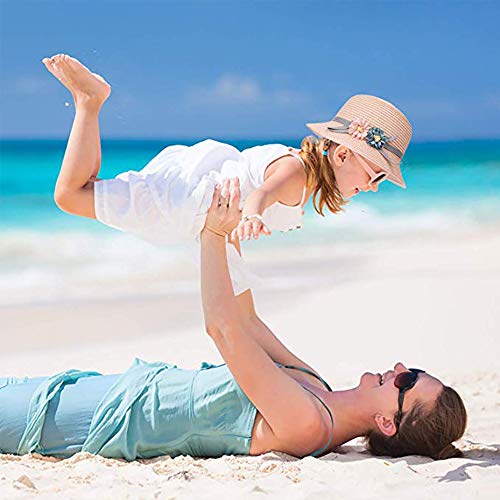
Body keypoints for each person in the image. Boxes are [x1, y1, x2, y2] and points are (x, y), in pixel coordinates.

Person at [0, 178, 467, 461]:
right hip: (114, 388)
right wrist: (239, 223)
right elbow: (246, 318)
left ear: (389, 423)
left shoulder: (307, 427)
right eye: (416, 371)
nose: (402, 368)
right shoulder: (316, 388)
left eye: (408, 383)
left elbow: (222, 331)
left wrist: (210, 236)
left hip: (104, 420)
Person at [41, 54, 413, 295]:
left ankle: (89, 105)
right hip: (186, 203)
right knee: (70, 196)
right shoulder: (296, 171)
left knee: (87, 191)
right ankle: (90, 103)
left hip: (199, 205)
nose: (373, 188)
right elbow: (262, 194)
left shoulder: (306, 174)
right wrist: (251, 216)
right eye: (376, 176)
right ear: (344, 153)